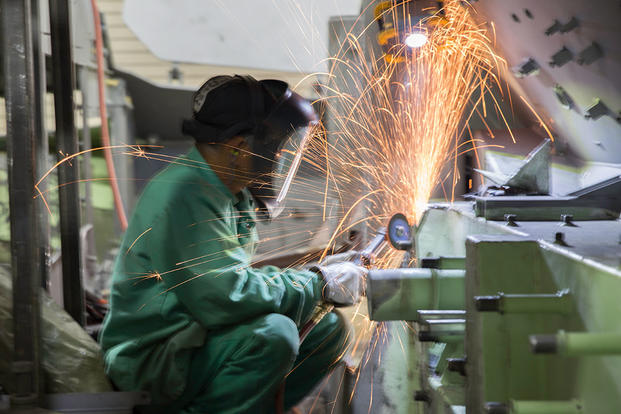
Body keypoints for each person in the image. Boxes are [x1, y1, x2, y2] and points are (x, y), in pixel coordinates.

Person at [100, 75, 368, 413]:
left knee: (327, 330)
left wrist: (320, 270)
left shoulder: (230, 194)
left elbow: (232, 277)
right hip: (156, 356)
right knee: (274, 335)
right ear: (240, 147)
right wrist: (317, 283)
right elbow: (226, 295)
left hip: (196, 336)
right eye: (277, 149)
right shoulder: (186, 193)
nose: (280, 160)